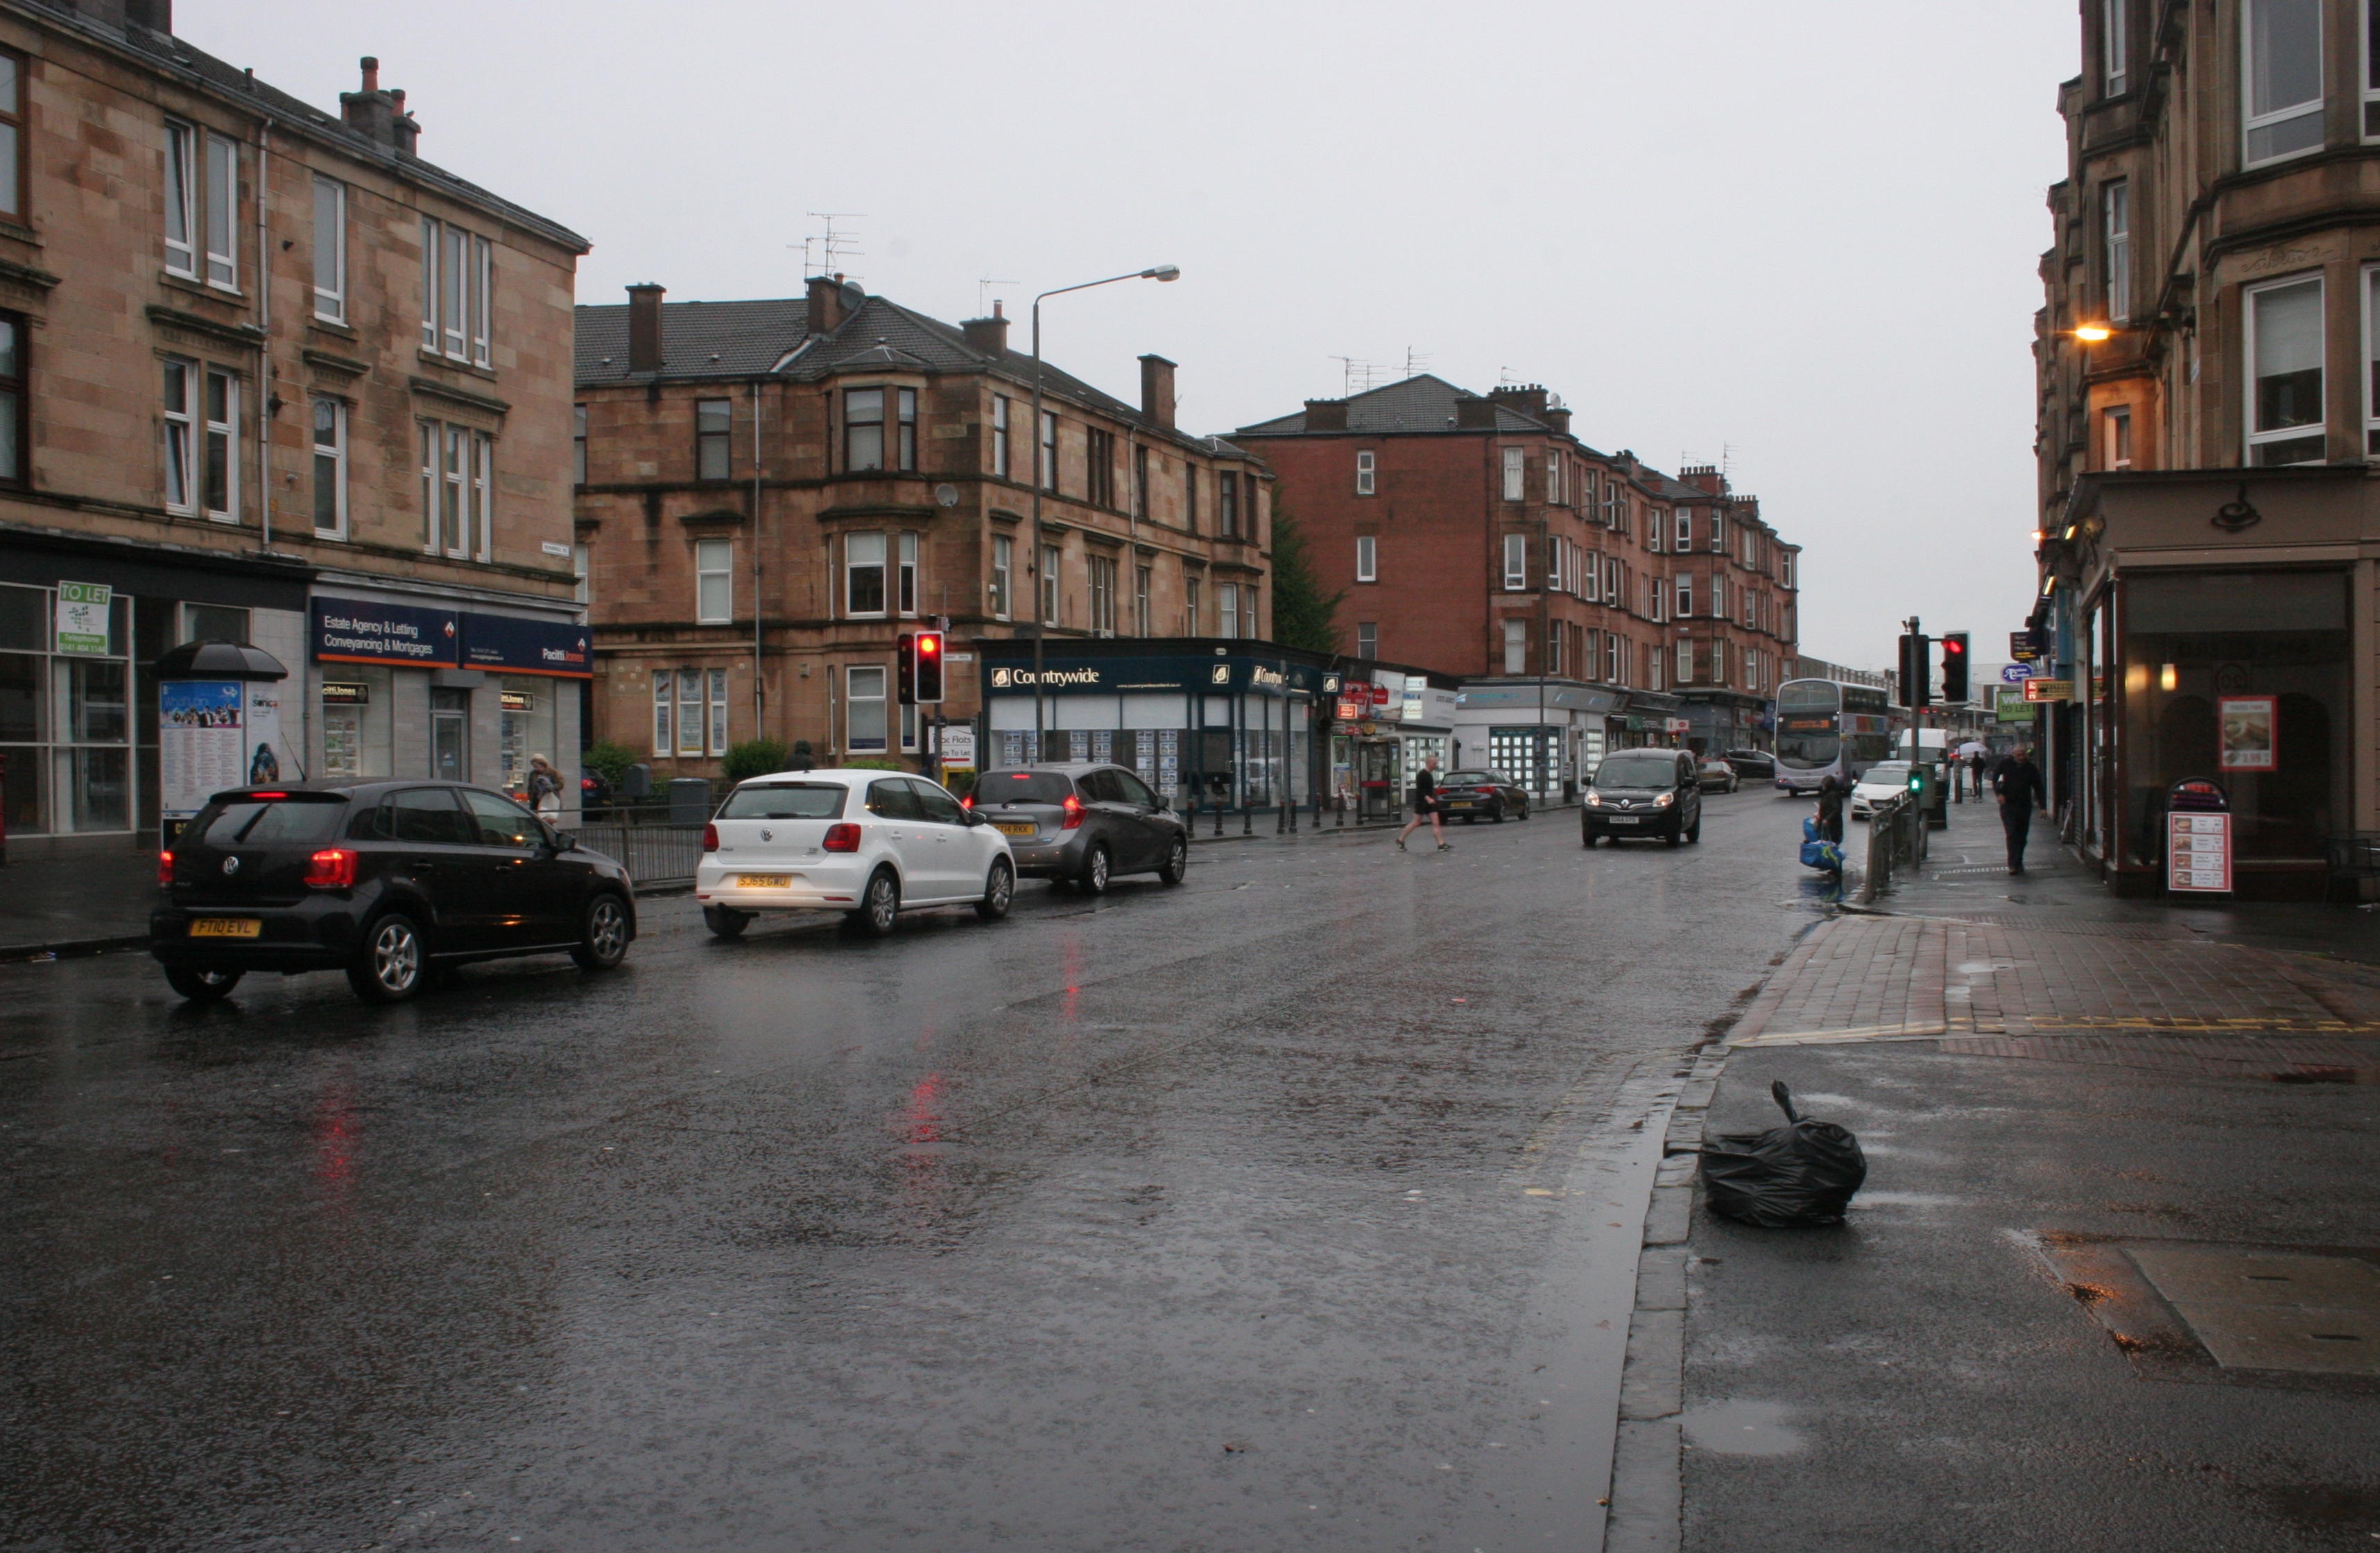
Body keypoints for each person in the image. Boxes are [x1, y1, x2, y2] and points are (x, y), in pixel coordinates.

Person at [1994, 745, 2046, 874]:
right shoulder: (2006, 764)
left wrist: (2043, 806)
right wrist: (1999, 794)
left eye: (2023, 755)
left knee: (2022, 836)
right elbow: (1995, 778)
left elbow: (2038, 787)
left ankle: (2018, 860)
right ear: (2013, 755)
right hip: (2008, 805)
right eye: (2018, 755)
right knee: (2012, 834)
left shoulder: (2030, 768)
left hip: (2024, 806)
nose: (2021, 758)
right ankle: (2013, 864)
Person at [1396, 756, 1449, 852]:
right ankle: (1401, 840)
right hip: (1421, 802)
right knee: (1416, 822)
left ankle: (1441, 844)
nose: (1436, 765)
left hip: (1430, 803)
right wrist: (1427, 798)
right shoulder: (1422, 775)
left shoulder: (1429, 774)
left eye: (1436, 763)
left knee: (1436, 822)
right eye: (1434, 763)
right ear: (1429, 763)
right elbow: (1420, 790)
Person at [528, 753, 562, 818]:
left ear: (542, 764)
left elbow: (560, 784)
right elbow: (530, 788)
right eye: (534, 767)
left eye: (536, 766)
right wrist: (530, 798)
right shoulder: (533, 774)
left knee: (548, 819)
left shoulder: (553, 772)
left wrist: (551, 788)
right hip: (536, 801)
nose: (536, 769)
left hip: (549, 801)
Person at [1815, 774, 1845, 844]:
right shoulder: (1829, 794)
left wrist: (1827, 819)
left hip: (1832, 827)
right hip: (1830, 825)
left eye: (1824, 784)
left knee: (1829, 845)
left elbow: (1837, 809)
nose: (1822, 786)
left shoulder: (1832, 795)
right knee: (1827, 846)